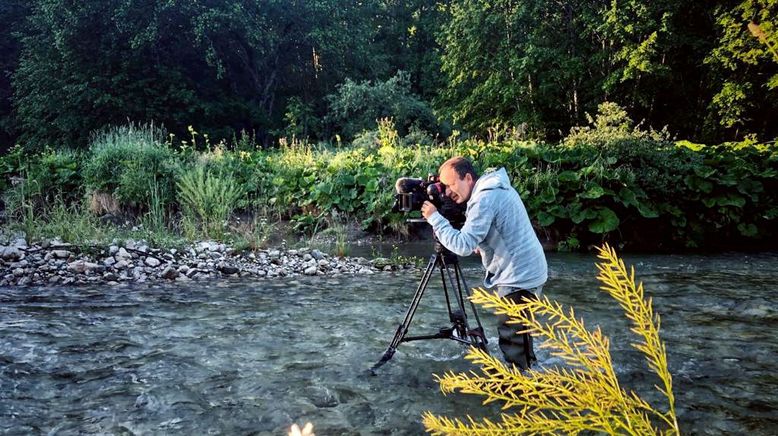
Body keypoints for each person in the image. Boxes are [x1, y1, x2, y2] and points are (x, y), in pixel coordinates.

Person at [420, 156, 547, 370]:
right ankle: (530, 372)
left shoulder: (484, 198)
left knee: (512, 337)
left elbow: (462, 246)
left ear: (468, 178)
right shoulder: (495, 188)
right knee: (519, 333)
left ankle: (521, 389)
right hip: (527, 270)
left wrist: (435, 218)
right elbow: (500, 228)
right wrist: (485, 244)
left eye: (451, 185)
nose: (448, 192)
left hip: (518, 275)